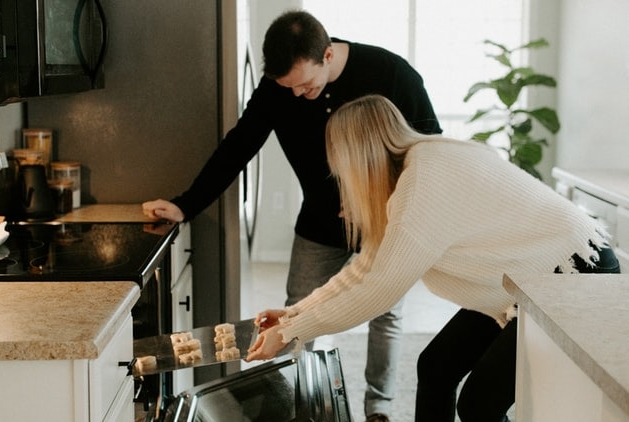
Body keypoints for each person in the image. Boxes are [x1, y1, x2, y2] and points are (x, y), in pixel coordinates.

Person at [142, 10, 441, 422]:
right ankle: (301, 406)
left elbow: (429, 149)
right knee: (297, 313)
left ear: (328, 54)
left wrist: (393, 202)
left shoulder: (391, 73)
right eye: (290, 87)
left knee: (386, 311)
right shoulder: (278, 89)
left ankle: (380, 409)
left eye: (306, 84)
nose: (299, 94)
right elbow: (238, 147)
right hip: (319, 222)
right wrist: (185, 203)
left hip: (384, 219)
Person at [246, 94, 621, 422]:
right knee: (436, 366)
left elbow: (376, 290)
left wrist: (293, 332)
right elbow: (364, 270)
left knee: (478, 406)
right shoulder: (413, 172)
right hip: (528, 281)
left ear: (357, 157)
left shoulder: (422, 184)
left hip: (571, 273)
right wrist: (294, 314)